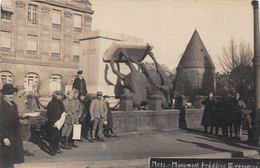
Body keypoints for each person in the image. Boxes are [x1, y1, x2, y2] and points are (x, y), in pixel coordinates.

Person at [0, 84, 24, 168]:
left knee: (11, 159)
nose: (10, 96)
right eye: (7, 94)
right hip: (7, 136)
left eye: (11, 93)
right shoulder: (2, 105)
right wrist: (4, 137)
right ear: (3, 94)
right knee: (5, 159)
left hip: (14, 135)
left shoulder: (12, 104)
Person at [13, 88, 34, 156]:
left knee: (26, 136)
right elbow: (13, 112)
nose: (24, 91)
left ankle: (24, 150)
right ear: (19, 90)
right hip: (20, 121)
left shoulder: (22, 98)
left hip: (26, 120)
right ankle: (17, 151)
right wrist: (20, 115)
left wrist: (31, 112)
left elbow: (25, 108)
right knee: (19, 137)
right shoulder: (14, 99)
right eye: (22, 90)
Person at [47, 91, 66, 156]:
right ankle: (52, 150)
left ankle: (56, 149)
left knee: (58, 137)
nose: (60, 97)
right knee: (53, 137)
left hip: (60, 123)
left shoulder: (61, 103)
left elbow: (63, 112)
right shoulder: (51, 103)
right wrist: (52, 123)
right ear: (55, 95)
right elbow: (49, 115)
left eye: (61, 95)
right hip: (54, 124)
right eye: (59, 95)